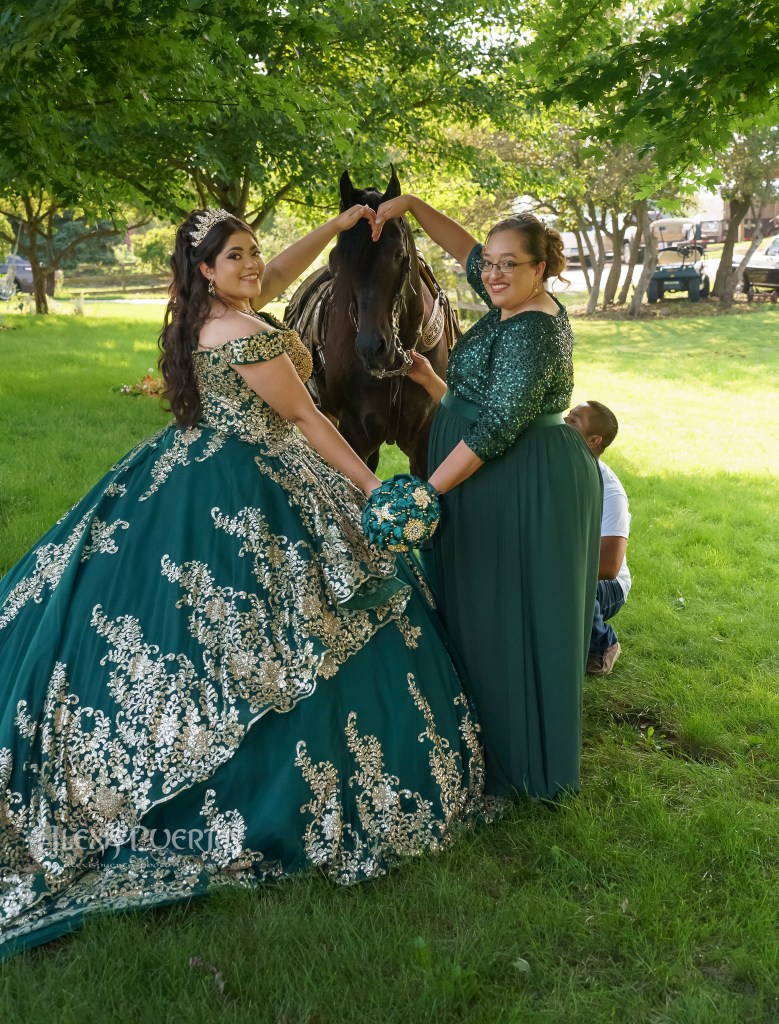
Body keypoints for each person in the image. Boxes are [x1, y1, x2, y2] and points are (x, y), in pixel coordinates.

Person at [0, 206, 484, 959]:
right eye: (236, 256)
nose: (255, 264)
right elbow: (309, 420)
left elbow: (280, 275)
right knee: (276, 624)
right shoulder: (239, 332)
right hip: (254, 480)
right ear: (206, 270)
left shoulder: (204, 314)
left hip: (192, 463)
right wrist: (375, 491)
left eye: (254, 251)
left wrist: (335, 226)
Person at [371, 199, 602, 801]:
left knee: (506, 608)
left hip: (515, 477)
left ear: (540, 270)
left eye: (508, 264)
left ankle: (519, 759)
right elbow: (462, 248)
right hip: (483, 473)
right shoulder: (511, 298)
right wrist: (411, 206)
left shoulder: (534, 331)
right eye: (489, 262)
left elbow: (498, 427)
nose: (491, 273)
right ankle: (474, 732)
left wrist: (426, 492)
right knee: (476, 601)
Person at [564, 401, 631, 676]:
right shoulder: (553, 467)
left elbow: (609, 567)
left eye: (573, 421)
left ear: (594, 440)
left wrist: (551, 563)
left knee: (564, 582)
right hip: (562, 567)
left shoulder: (610, 491)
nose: (563, 422)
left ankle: (603, 643)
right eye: (567, 415)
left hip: (605, 586)